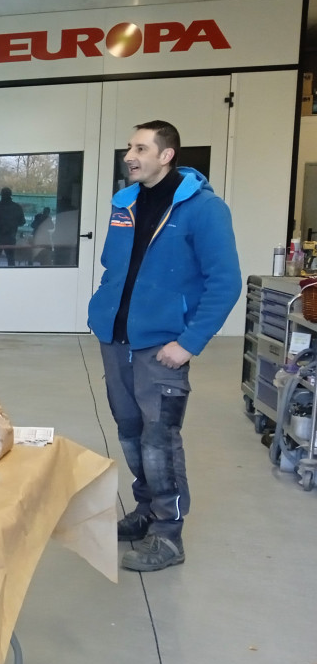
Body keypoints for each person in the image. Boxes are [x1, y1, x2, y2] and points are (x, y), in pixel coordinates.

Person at [87, 120, 241, 573]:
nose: (129, 155)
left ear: (166, 154)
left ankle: (168, 536)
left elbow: (225, 282)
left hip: (162, 348)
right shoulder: (126, 202)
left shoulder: (203, 209)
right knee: (130, 432)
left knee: (160, 441)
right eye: (128, 146)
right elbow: (114, 267)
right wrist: (102, 313)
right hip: (116, 340)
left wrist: (189, 343)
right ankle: (146, 511)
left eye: (140, 147)